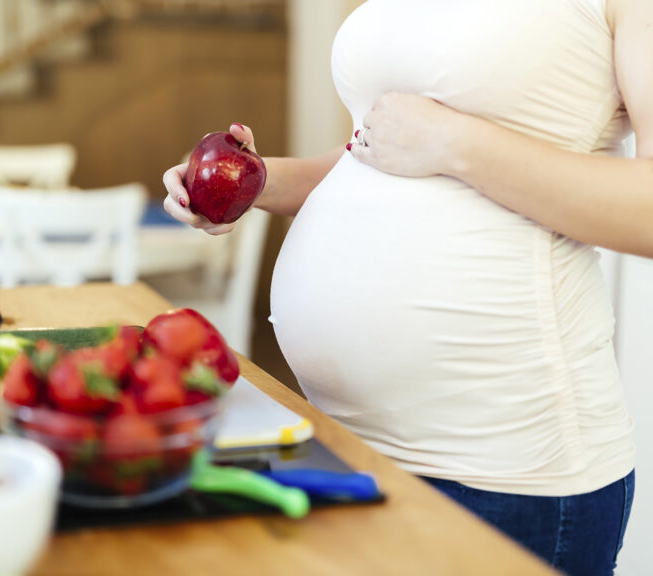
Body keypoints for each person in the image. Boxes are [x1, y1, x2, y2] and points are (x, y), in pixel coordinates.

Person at [163, 0, 652, 573]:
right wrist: (258, 181)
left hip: (501, 474)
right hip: (339, 441)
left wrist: (457, 142)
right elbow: (377, 153)